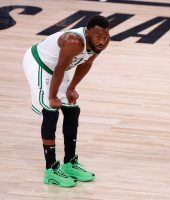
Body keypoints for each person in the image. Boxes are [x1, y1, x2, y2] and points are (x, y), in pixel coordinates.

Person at [23, 15, 110, 187]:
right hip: (39, 64)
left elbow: (86, 63)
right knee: (51, 110)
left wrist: (71, 88)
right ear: (88, 32)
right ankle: (51, 171)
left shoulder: (102, 42)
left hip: (58, 69)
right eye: (98, 36)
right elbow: (60, 67)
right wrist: (53, 96)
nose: (102, 40)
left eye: (105, 36)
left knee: (72, 108)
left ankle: (69, 163)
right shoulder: (74, 42)